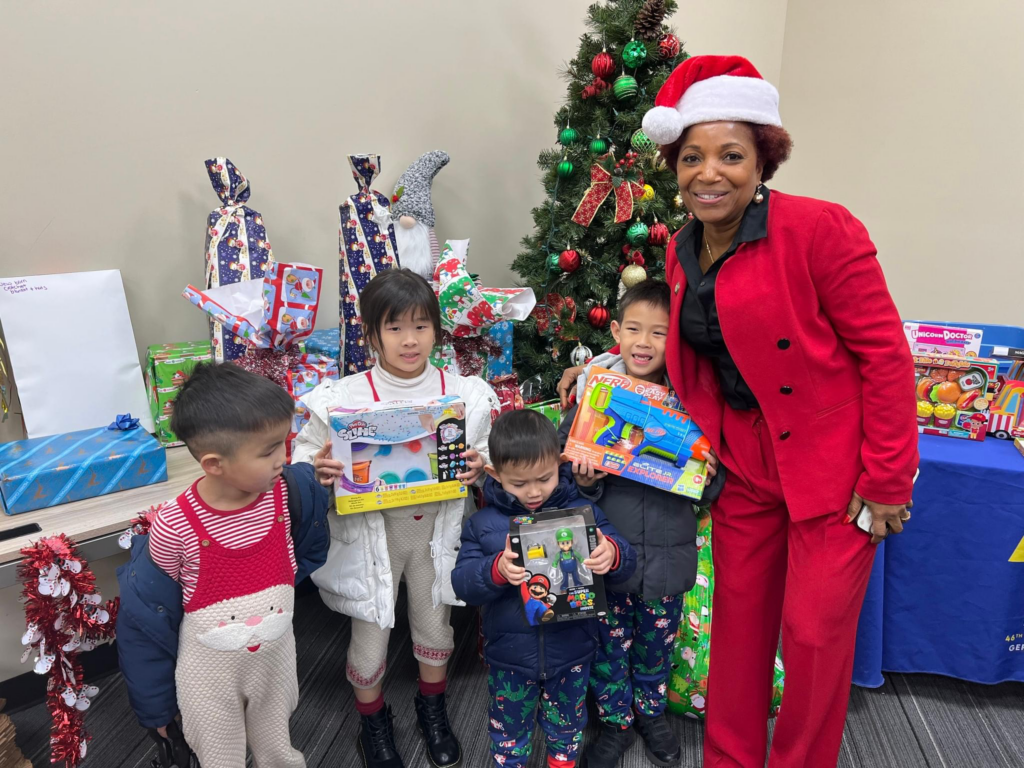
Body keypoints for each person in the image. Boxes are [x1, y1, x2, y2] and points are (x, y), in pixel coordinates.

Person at [557, 55, 918, 768]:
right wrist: (595, 376)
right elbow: (681, 359)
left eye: (730, 155)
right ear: (675, 166)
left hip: (834, 470)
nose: (709, 173)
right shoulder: (682, 252)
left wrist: (886, 481)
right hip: (744, 463)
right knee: (739, 632)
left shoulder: (821, 229)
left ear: (763, 160)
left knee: (812, 641)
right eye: (692, 157)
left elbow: (885, 358)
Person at [293, 268, 500, 768]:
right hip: (370, 541)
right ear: (370, 335)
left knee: (435, 631)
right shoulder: (343, 398)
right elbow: (302, 456)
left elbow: (494, 458)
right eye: (394, 328)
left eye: (421, 326)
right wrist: (316, 467)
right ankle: (373, 722)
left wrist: (480, 466)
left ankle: (434, 709)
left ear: (436, 329)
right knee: (368, 643)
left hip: (436, 536)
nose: (410, 340)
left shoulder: (465, 394)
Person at [117, 362, 330, 768]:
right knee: (220, 757)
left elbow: (307, 509)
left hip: (276, 659)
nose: (282, 458)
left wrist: (321, 472)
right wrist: (156, 708)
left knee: (278, 749)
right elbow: (144, 618)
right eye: (268, 451)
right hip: (209, 678)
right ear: (214, 464)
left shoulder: (286, 491)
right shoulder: (175, 525)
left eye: (284, 443)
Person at [558, 279, 725, 768]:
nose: (644, 342)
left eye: (659, 332)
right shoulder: (595, 396)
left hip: (670, 560)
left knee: (656, 649)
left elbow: (712, 488)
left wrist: (708, 475)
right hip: (609, 559)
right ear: (615, 331)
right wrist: (586, 482)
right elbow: (562, 483)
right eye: (633, 329)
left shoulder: (692, 402)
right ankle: (615, 723)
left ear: (675, 340)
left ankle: (652, 714)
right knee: (610, 649)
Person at [451, 410, 636, 768]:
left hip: (573, 649)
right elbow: (462, 584)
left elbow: (626, 561)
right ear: (494, 474)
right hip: (510, 656)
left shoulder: (583, 512)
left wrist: (610, 554)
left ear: (560, 462)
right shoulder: (483, 524)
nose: (534, 491)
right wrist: (497, 570)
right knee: (508, 731)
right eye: (519, 483)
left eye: (545, 478)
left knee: (566, 728)